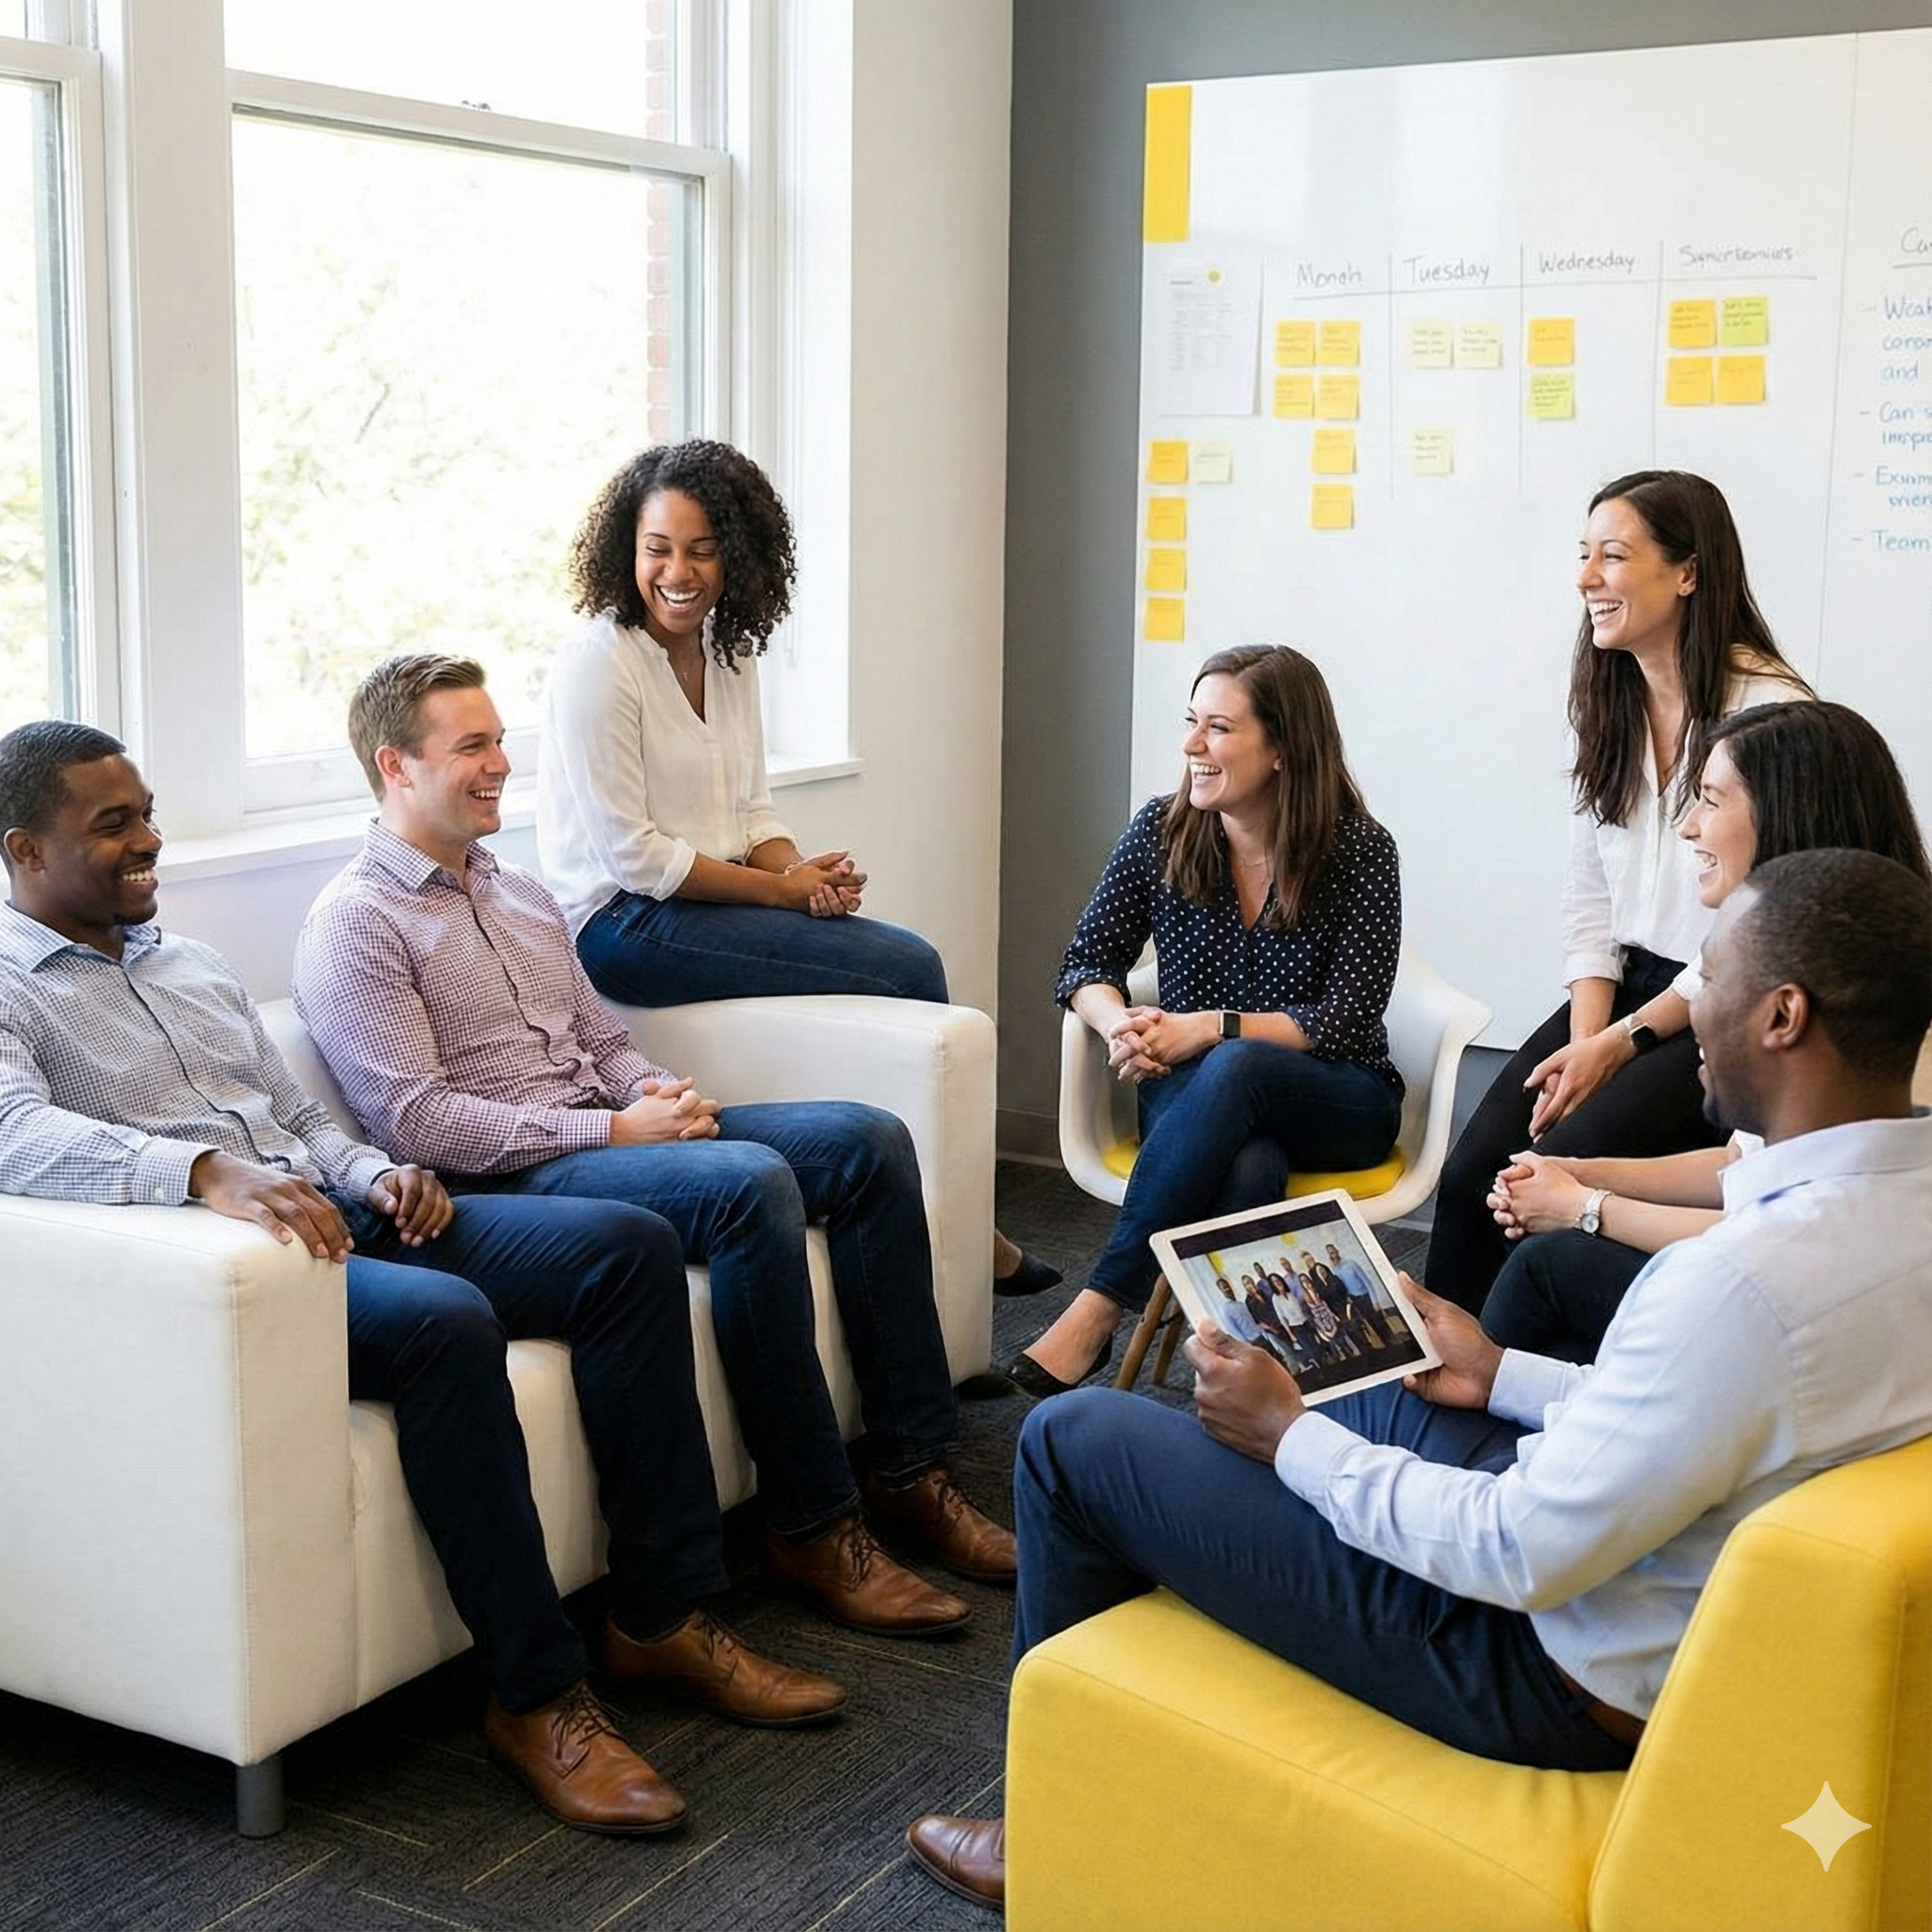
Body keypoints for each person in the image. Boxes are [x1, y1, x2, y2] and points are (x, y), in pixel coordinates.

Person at [905, 845, 1932, 1910]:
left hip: (1543, 1668)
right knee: (1355, 1375)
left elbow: (1516, 1550)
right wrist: (1499, 1373)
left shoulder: (1732, 1285)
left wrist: (1289, 1438)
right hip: (1648, 1588)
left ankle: (1047, 1830)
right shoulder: (1897, 1214)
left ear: (1781, 1016)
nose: (1685, 1007)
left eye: (1709, 975)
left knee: (1072, 1439)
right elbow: (1721, 1417)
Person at [0, 722, 845, 1840]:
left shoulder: (189, 962)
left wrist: (378, 1170)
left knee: (625, 1248)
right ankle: (535, 1697)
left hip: (347, 1211)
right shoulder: (13, 988)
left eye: (148, 811)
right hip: (236, 1271)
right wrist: (202, 1170)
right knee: (448, 1321)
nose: (149, 838)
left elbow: (298, 1118)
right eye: (114, 823)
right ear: (24, 849)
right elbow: (14, 1133)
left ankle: (662, 1613)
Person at [291, 655, 1016, 1644]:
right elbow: (417, 1123)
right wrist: (613, 1128)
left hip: (611, 1127)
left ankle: (911, 1470)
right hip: (513, 1175)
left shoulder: (518, 893)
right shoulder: (355, 923)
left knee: (865, 1139)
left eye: (500, 740)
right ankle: (813, 1525)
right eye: (472, 747)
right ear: (395, 764)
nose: (501, 763)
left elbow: (603, 1039)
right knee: (746, 1184)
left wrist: (653, 1091)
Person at [539, 438, 1056, 1297]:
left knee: (896, 955)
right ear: (625, 550)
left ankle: (943, 1203)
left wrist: (802, 874)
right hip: (620, 924)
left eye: (702, 550)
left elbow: (752, 812)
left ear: (736, 555)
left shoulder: (728, 650)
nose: (677, 572)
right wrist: (778, 892)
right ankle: (970, 1222)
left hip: (703, 902)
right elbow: (637, 857)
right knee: (908, 966)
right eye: (657, 549)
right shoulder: (599, 663)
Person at [1425, 471, 1811, 1314]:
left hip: (1714, 1002)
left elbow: (1764, 920)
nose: (1586, 578)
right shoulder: (1607, 699)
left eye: (1612, 556)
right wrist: (1587, 1039)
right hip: (1617, 993)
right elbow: (1590, 899)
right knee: (1475, 1168)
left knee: (1545, 1172)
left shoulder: (1771, 713)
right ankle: (1437, 1364)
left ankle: (1513, 1367)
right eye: (1583, 555)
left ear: (1688, 572)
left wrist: (1620, 1045)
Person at [1480, 700, 1932, 1361]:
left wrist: (1585, 1205)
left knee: (1549, 1264)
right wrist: (1579, 1173)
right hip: (1792, 1280)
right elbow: (1741, 1166)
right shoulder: (1808, 951)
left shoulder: (1874, 1006)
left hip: (1820, 1316)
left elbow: (1779, 1241)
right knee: (1530, 1222)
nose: (1688, 826)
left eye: (1711, 802)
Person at [1008, 645, 1404, 1398]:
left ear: (1283, 748)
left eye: (1218, 728)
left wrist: (1212, 1028)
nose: (1192, 744)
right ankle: (1233, 1380)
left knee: (1236, 1061)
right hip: (1195, 1099)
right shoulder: (1161, 830)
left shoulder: (1360, 850)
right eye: (1192, 722)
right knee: (1249, 1163)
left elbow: (1347, 1019)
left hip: (1337, 1097)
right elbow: (1086, 965)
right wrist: (1120, 1026)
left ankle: (1102, 1303)